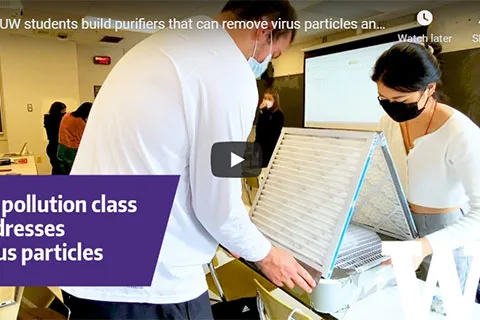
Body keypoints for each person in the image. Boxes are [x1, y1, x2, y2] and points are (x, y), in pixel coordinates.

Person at [61, 1, 316, 319]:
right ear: (264, 28)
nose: (265, 64)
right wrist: (266, 254)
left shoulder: (163, 45)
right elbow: (218, 205)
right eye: (273, 54)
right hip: (146, 285)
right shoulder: (226, 71)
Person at [373, 41, 480, 312]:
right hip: (403, 227)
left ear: (429, 89)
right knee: (403, 307)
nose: (391, 107)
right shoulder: (389, 121)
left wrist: (425, 246)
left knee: (444, 310)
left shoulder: (460, 133)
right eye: (384, 99)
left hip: (447, 235)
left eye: (400, 100)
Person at [57, 102, 92, 175]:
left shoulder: (67, 115)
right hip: (72, 150)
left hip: (62, 147)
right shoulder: (79, 121)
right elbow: (83, 139)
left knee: (65, 171)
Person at [255, 89, 284, 167]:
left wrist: (265, 112)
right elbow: (259, 131)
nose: (266, 101)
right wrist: (261, 112)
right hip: (260, 149)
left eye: (269, 99)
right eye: (265, 98)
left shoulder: (278, 115)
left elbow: (270, 133)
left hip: (270, 151)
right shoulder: (263, 113)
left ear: (275, 101)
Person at [43, 102, 66, 175]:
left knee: (56, 169)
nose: (64, 112)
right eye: (63, 111)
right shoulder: (56, 120)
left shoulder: (48, 119)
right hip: (56, 147)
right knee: (60, 170)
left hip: (52, 147)